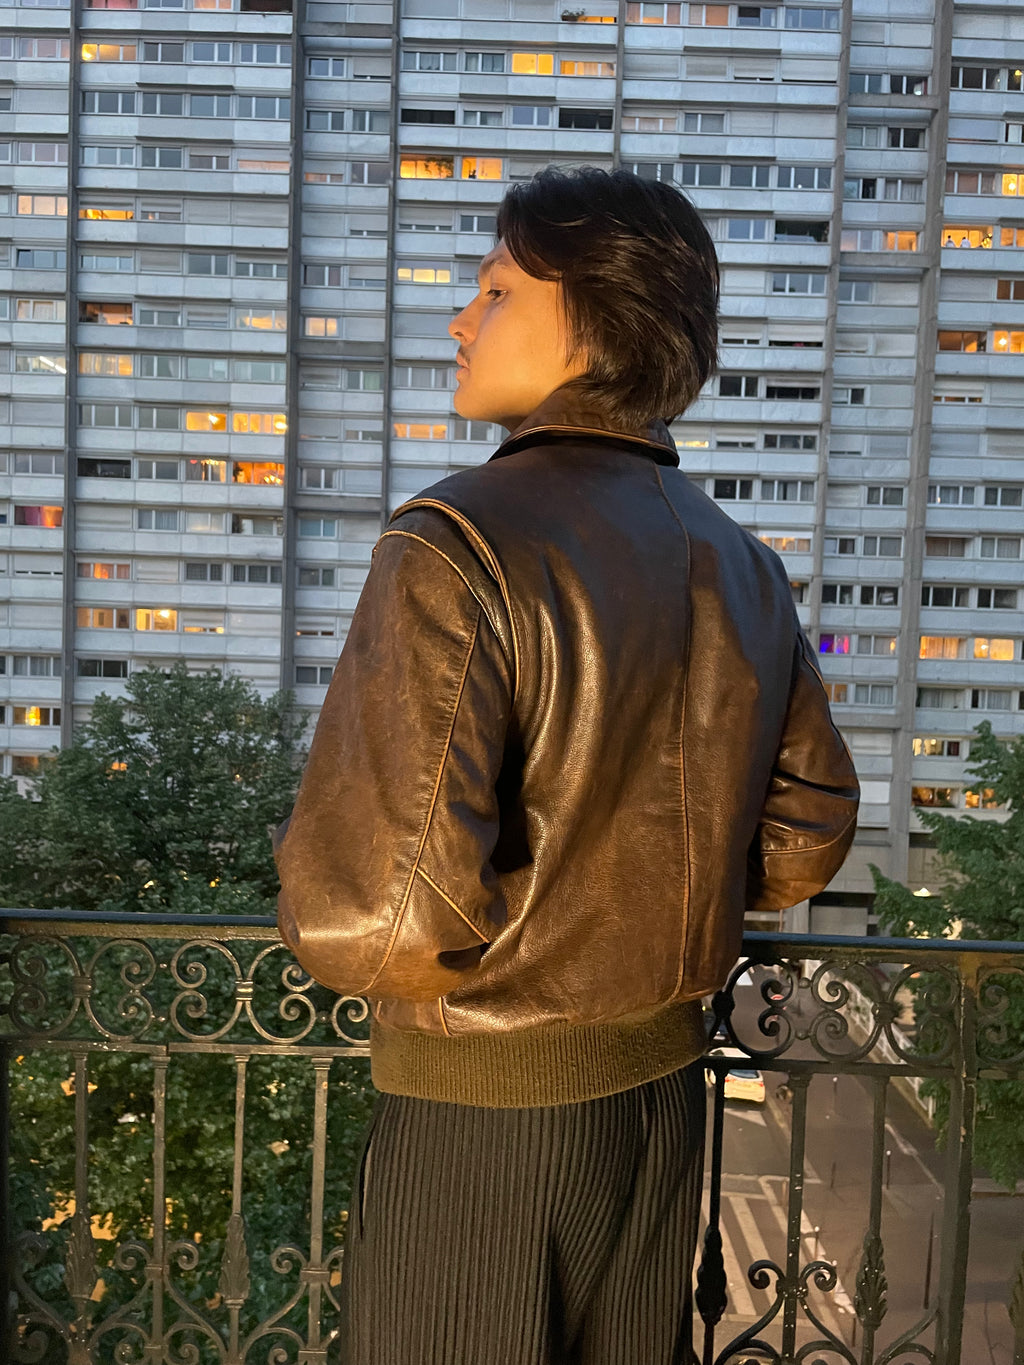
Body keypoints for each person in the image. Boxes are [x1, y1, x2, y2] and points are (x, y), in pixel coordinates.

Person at [274, 165, 860, 1365]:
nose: (460, 319)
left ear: (595, 317)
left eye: (495, 289)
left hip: (486, 1116)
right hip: (664, 1104)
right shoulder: (740, 561)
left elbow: (375, 919)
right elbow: (803, 842)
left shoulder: (455, 538)